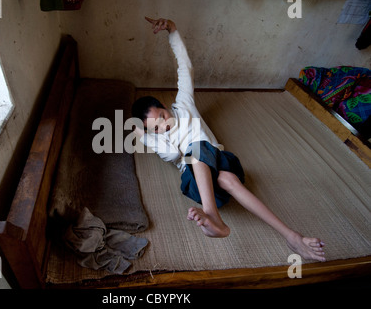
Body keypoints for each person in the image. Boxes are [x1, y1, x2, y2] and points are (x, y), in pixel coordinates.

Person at [131, 17, 326, 262]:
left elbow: (185, 69)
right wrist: (146, 136)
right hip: (196, 184)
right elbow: (171, 156)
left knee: (227, 175)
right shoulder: (158, 139)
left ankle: (291, 236)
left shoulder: (184, 106)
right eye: (156, 127)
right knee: (197, 152)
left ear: (165, 105)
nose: (164, 125)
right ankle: (212, 214)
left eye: (161, 116)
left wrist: (173, 31)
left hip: (221, 163)